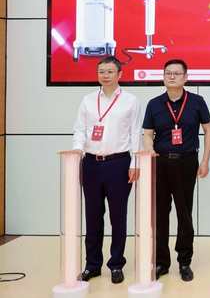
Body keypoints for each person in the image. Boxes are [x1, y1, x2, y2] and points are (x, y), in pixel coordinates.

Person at [142, 59, 210, 282]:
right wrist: (150, 151)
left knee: (184, 213)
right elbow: (147, 134)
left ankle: (184, 261)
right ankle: (162, 262)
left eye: (176, 73)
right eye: (168, 73)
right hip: (161, 163)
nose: (171, 77)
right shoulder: (154, 104)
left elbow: (209, 131)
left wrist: (205, 161)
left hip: (186, 163)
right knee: (160, 213)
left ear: (186, 77)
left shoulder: (197, 102)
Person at [73, 56, 142, 284]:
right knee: (92, 216)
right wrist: (77, 152)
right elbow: (80, 130)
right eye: (101, 71)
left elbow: (135, 133)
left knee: (118, 216)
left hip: (119, 164)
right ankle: (92, 265)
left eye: (110, 71)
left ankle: (116, 264)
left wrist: (135, 162)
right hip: (91, 164)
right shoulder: (87, 100)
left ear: (120, 74)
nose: (105, 75)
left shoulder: (131, 101)